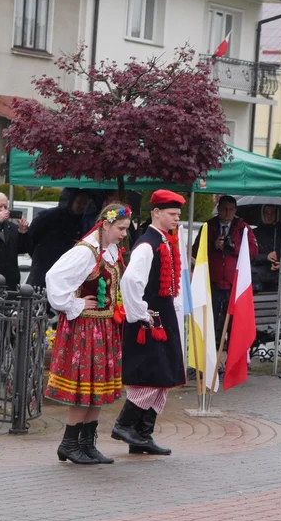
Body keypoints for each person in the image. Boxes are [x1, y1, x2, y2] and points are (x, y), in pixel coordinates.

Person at [45, 203, 131, 465]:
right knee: (85, 387)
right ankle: (69, 443)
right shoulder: (85, 252)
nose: (123, 234)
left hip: (104, 328)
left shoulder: (109, 251)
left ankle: (86, 444)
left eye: (125, 229)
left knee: (98, 388)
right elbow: (54, 278)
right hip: (85, 329)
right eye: (120, 228)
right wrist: (77, 304)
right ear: (105, 225)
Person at [111, 190, 187, 456]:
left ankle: (142, 436)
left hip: (162, 316)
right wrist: (140, 313)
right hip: (149, 320)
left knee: (163, 375)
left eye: (178, 215)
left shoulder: (164, 241)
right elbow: (130, 281)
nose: (177, 219)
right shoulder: (147, 244)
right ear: (156, 213)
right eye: (172, 214)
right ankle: (124, 425)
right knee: (150, 376)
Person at [192, 195, 258, 337]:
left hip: (234, 283)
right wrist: (213, 246)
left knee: (234, 322)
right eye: (224, 209)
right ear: (218, 209)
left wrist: (233, 248)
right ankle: (211, 350)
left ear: (235, 210)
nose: (227, 213)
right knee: (210, 319)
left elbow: (254, 251)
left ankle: (231, 353)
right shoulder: (208, 227)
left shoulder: (243, 229)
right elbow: (195, 251)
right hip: (212, 282)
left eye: (231, 209)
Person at [27, 189, 88, 288]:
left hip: (64, 270)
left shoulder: (82, 221)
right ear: (70, 201)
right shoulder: (47, 216)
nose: (81, 206)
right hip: (43, 265)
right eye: (79, 202)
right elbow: (31, 238)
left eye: (84, 204)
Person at [252, 204, 281, 293]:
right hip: (257, 278)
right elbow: (250, 256)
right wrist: (266, 257)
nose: (269, 215)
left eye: (272, 213)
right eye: (267, 213)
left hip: (276, 280)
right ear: (263, 214)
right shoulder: (254, 233)